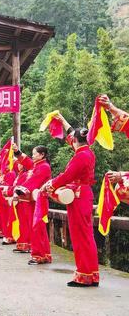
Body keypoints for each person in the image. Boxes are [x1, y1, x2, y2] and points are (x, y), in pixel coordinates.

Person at [44, 113, 99, 287]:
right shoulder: (86, 151)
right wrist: (63, 121)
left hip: (79, 195)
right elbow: (72, 134)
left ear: (74, 142)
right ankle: (91, 274)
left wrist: (50, 185)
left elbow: (67, 176)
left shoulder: (80, 156)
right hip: (83, 194)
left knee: (80, 236)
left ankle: (84, 275)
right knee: (86, 235)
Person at [13, 143, 52, 263]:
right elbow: (27, 161)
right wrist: (17, 152)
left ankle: (39, 255)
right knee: (36, 228)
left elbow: (34, 181)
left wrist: (19, 191)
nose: (33, 156)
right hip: (33, 201)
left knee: (37, 228)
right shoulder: (37, 165)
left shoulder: (44, 167)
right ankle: (43, 254)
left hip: (39, 201)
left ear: (42, 155)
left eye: (35, 154)